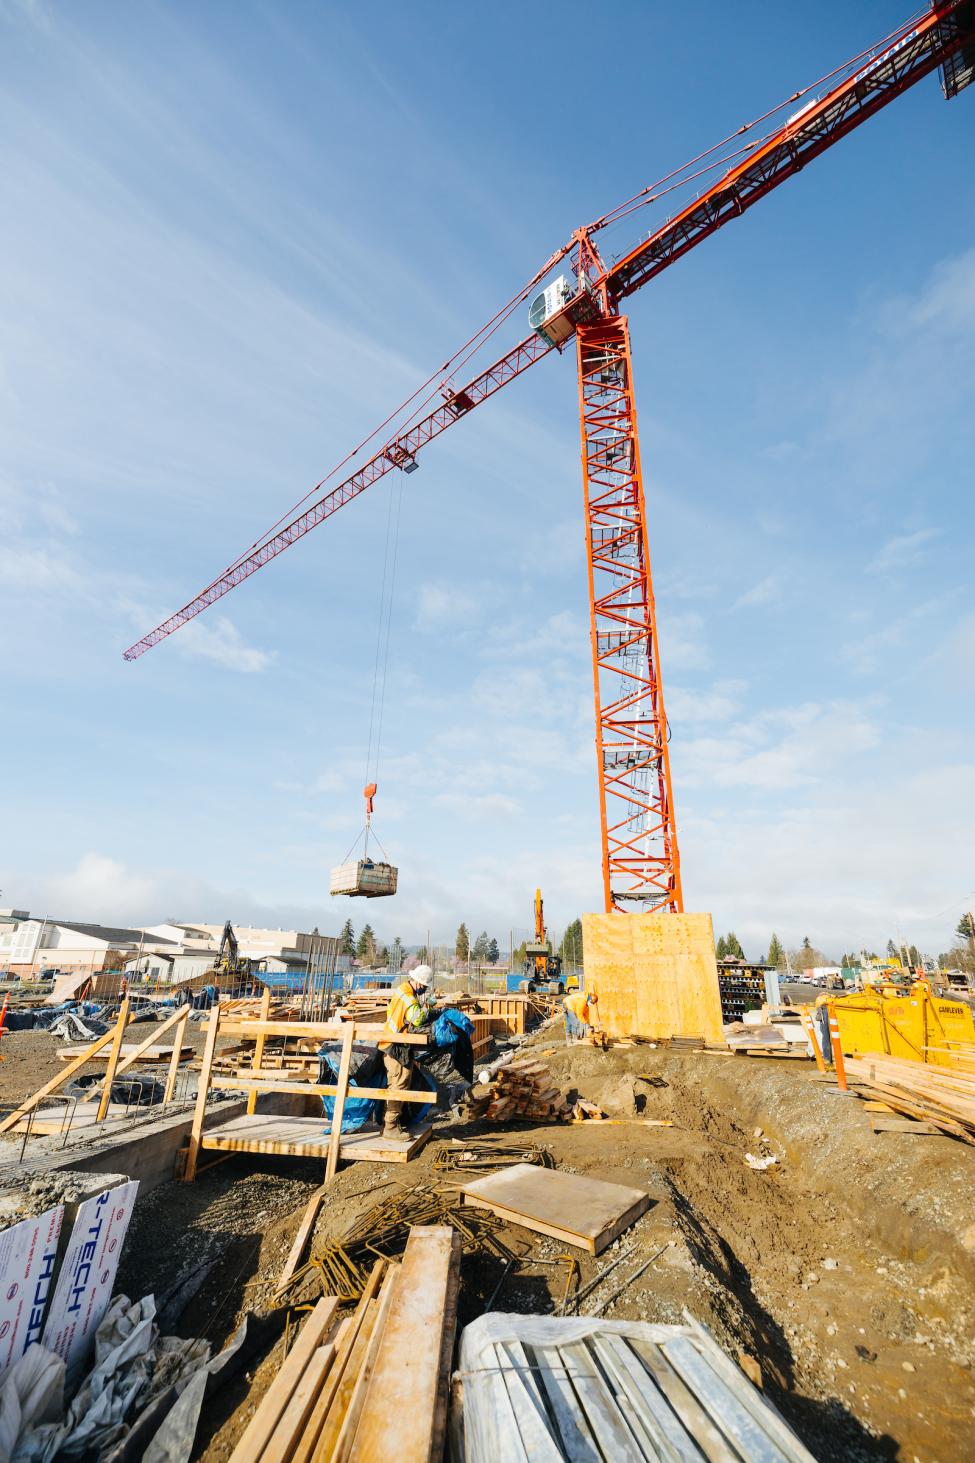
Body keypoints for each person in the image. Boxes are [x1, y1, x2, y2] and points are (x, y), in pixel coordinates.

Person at [379, 964, 434, 1138]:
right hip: (396, 1045)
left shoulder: (402, 991)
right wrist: (428, 1007)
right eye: (424, 987)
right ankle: (390, 1127)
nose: (424, 990)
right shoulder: (409, 997)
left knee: (395, 1084)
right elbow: (417, 1019)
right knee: (399, 1084)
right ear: (418, 983)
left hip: (392, 1042)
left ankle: (389, 1123)